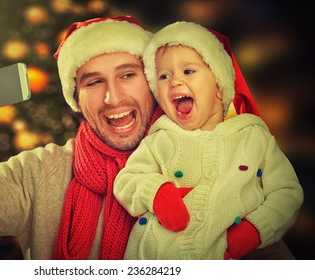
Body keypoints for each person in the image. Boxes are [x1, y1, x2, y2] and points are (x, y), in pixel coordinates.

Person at [0, 15, 296, 260]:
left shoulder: (223, 154)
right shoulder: (38, 174)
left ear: (155, 84)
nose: (113, 98)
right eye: (93, 82)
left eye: (128, 75)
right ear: (77, 98)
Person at [113, 21, 304, 259]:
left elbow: (287, 192)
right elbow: (127, 179)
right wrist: (157, 193)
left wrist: (255, 229)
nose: (174, 81)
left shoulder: (253, 137)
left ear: (220, 88)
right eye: (163, 76)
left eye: (188, 71)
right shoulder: (160, 139)